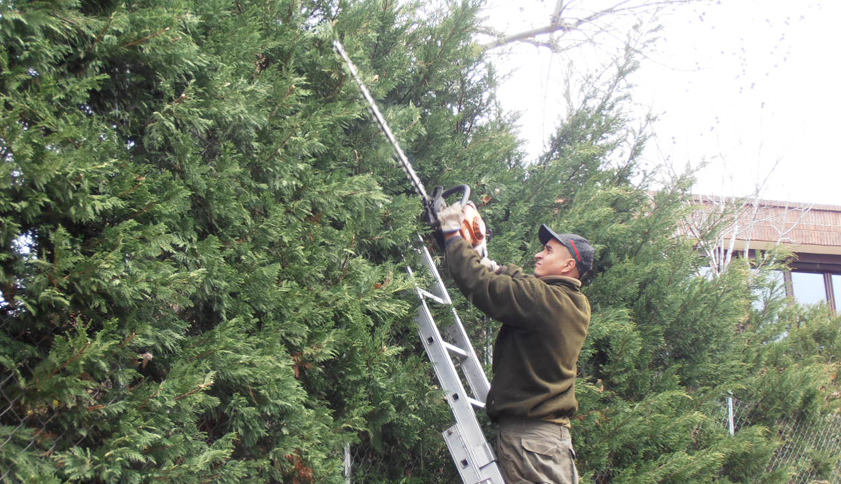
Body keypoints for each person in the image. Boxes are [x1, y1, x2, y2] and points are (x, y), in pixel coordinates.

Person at [436, 202, 594, 484]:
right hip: (547, 443)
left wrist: (452, 236)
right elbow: (524, 285)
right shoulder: (575, 303)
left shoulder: (544, 300)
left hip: (531, 444)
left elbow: (480, 285)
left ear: (569, 264)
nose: (538, 253)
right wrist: (491, 264)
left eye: (548, 250)